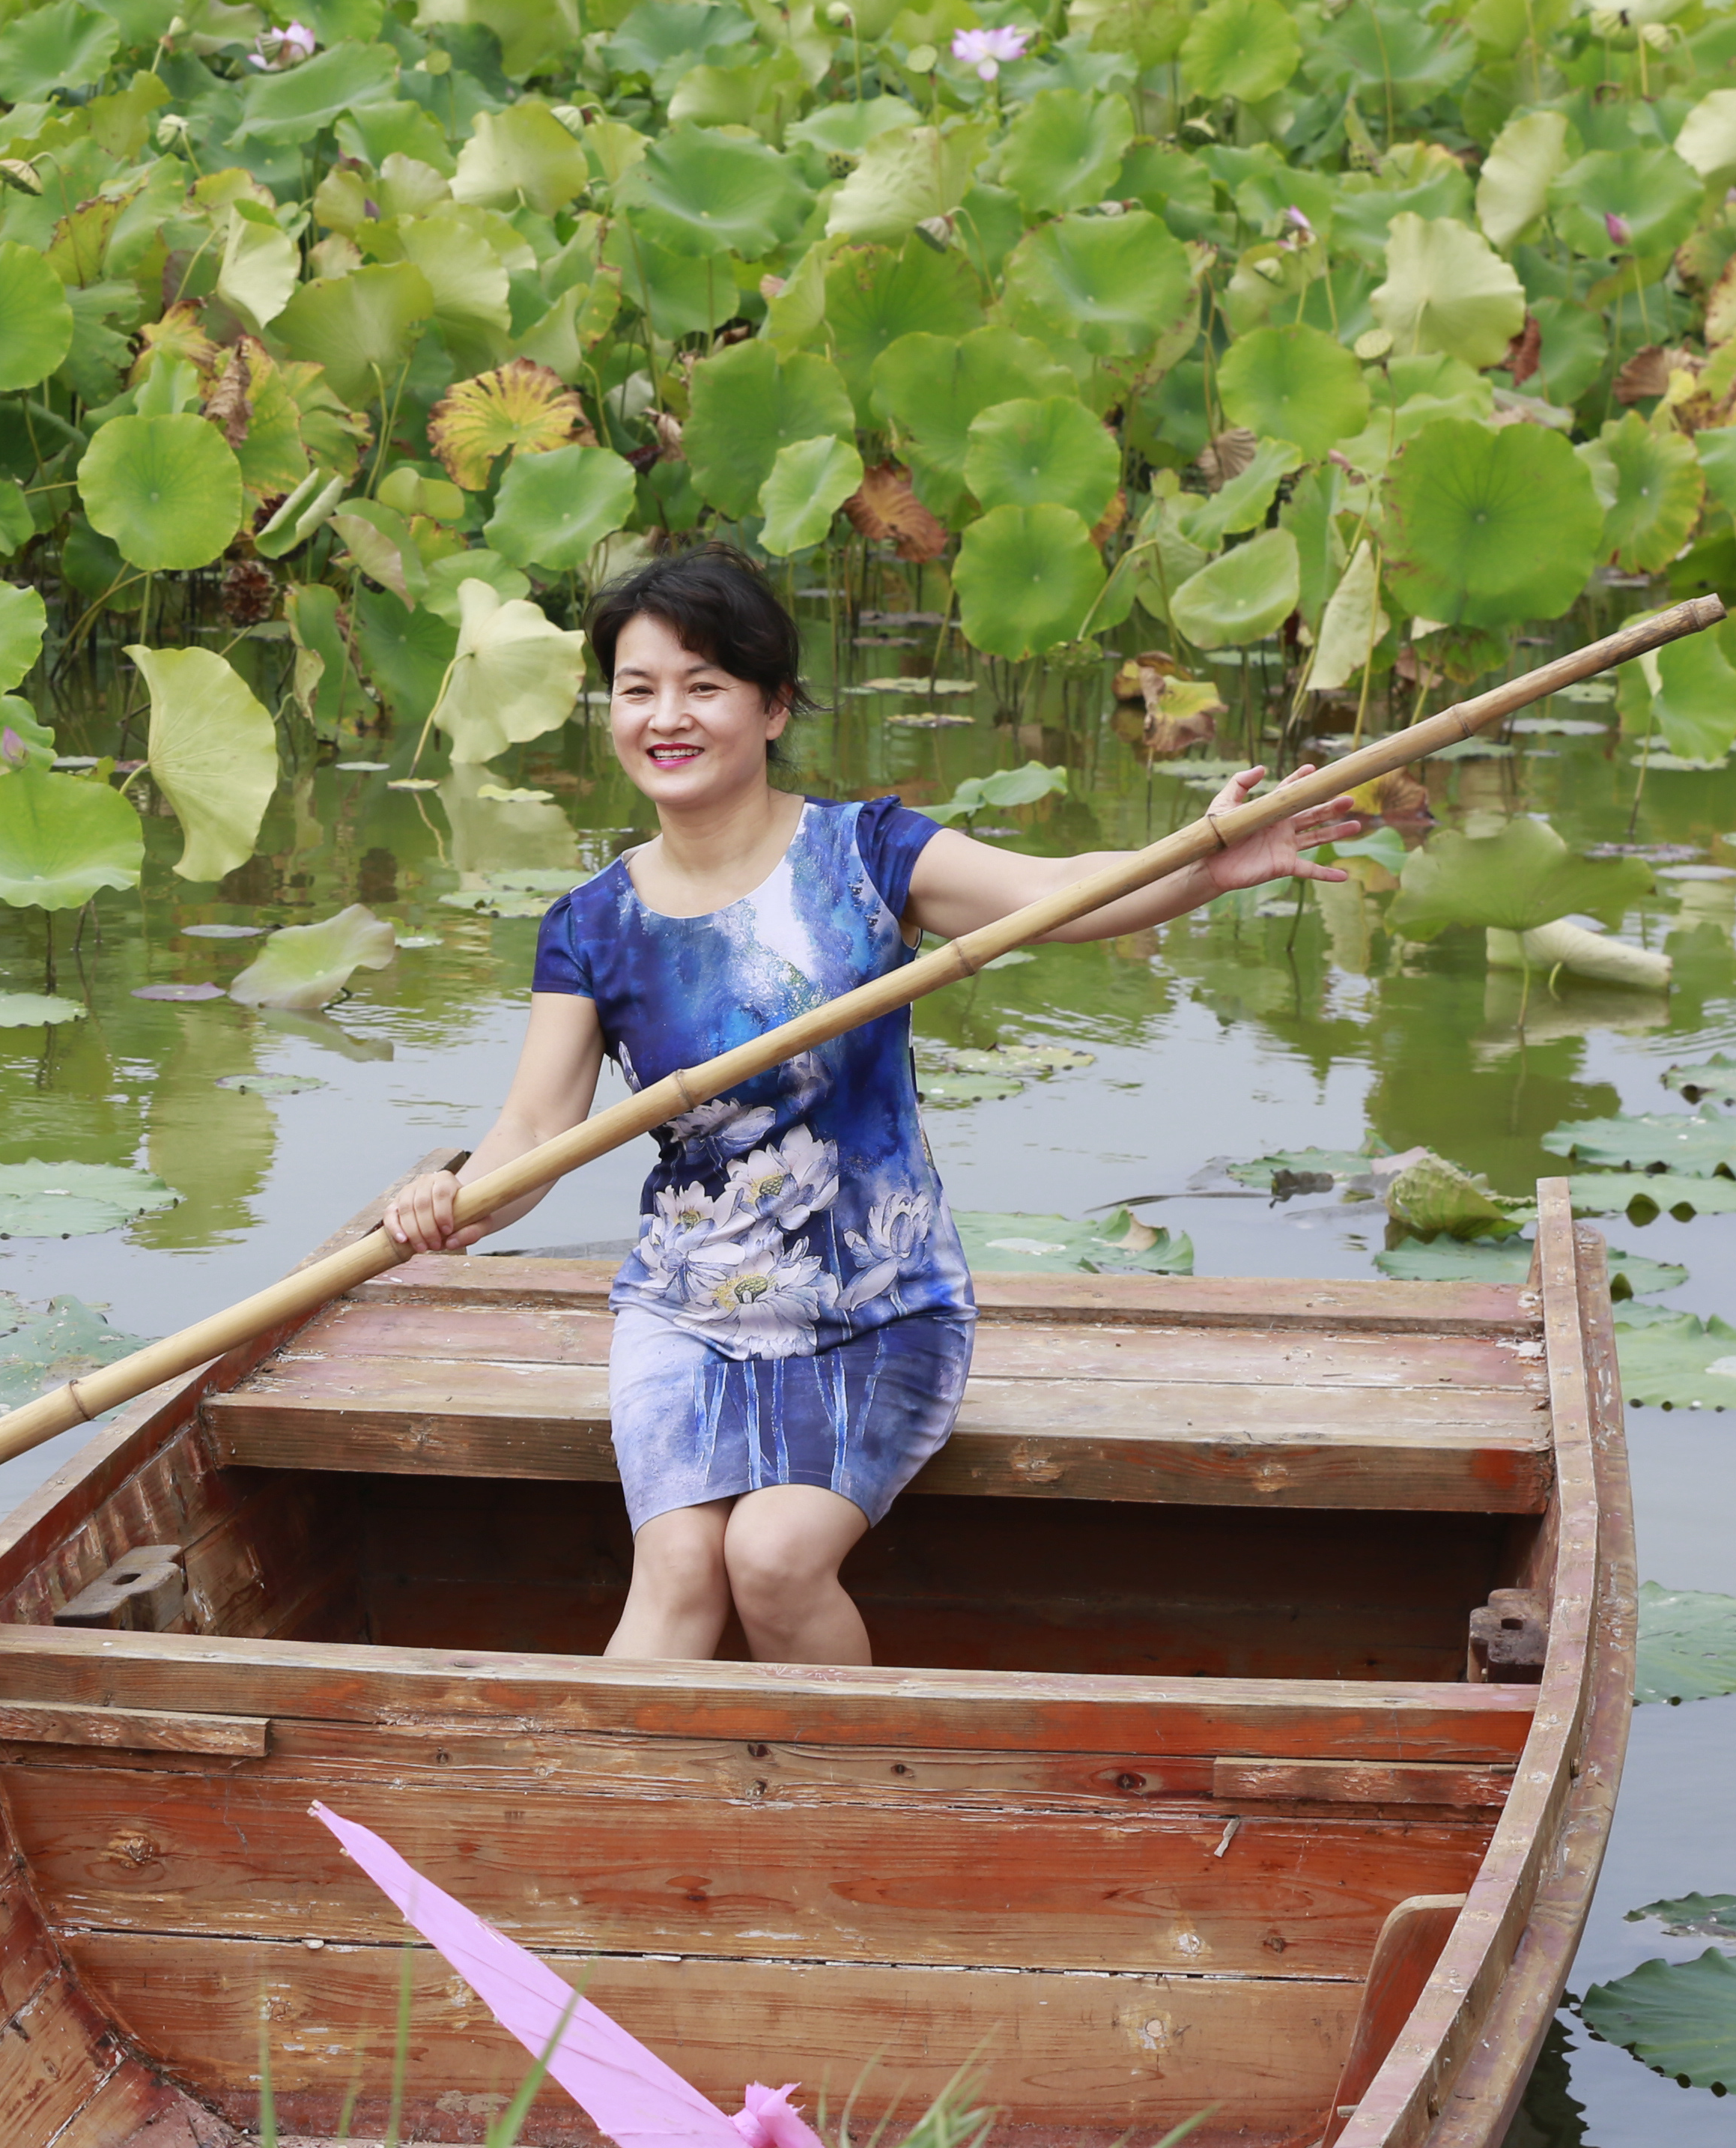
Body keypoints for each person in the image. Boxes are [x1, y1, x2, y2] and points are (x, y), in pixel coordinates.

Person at [378, 541, 1357, 1669]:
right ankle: (601, 1818)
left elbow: (1048, 895)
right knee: (682, 1568)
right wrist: (450, 1200)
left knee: (774, 1558)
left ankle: (843, 1800)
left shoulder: (865, 854)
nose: (667, 717)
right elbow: (537, 1130)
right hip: (689, 1308)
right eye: (638, 690)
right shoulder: (591, 924)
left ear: (775, 703)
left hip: (875, 1302)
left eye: (705, 686)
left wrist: (1206, 862)